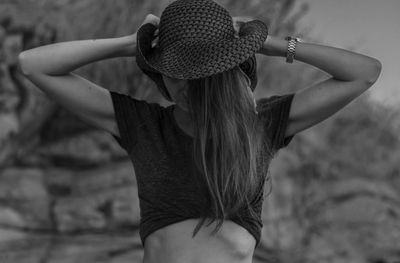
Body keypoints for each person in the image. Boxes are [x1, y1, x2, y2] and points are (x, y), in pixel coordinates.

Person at [17, 0, 381, 262]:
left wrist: (272, 45)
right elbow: (33, 65)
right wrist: (132, 44)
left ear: (222, 75)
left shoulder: (262, 125)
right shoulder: (143, 125)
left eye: (199, 75)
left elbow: (364, 72)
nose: (184, 87)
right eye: (174, 71)